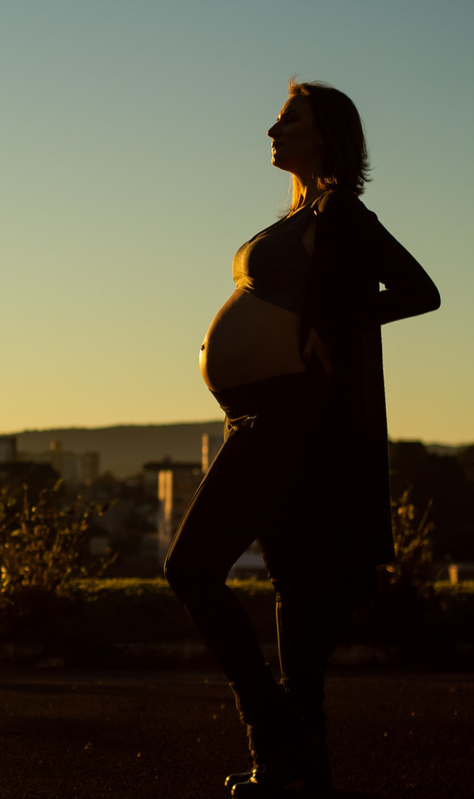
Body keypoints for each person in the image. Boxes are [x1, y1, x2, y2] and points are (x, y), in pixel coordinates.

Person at [164, 79, 440, 797]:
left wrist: (338, 321)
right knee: (296, 585)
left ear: (326, 135)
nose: (272, 130)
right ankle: (297, 763)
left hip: (287, 416)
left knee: (190, 568)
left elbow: (420, 291)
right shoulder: (298, 216)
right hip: (259, 414)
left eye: (288, 118)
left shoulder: (340, 210)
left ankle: (275, 729)